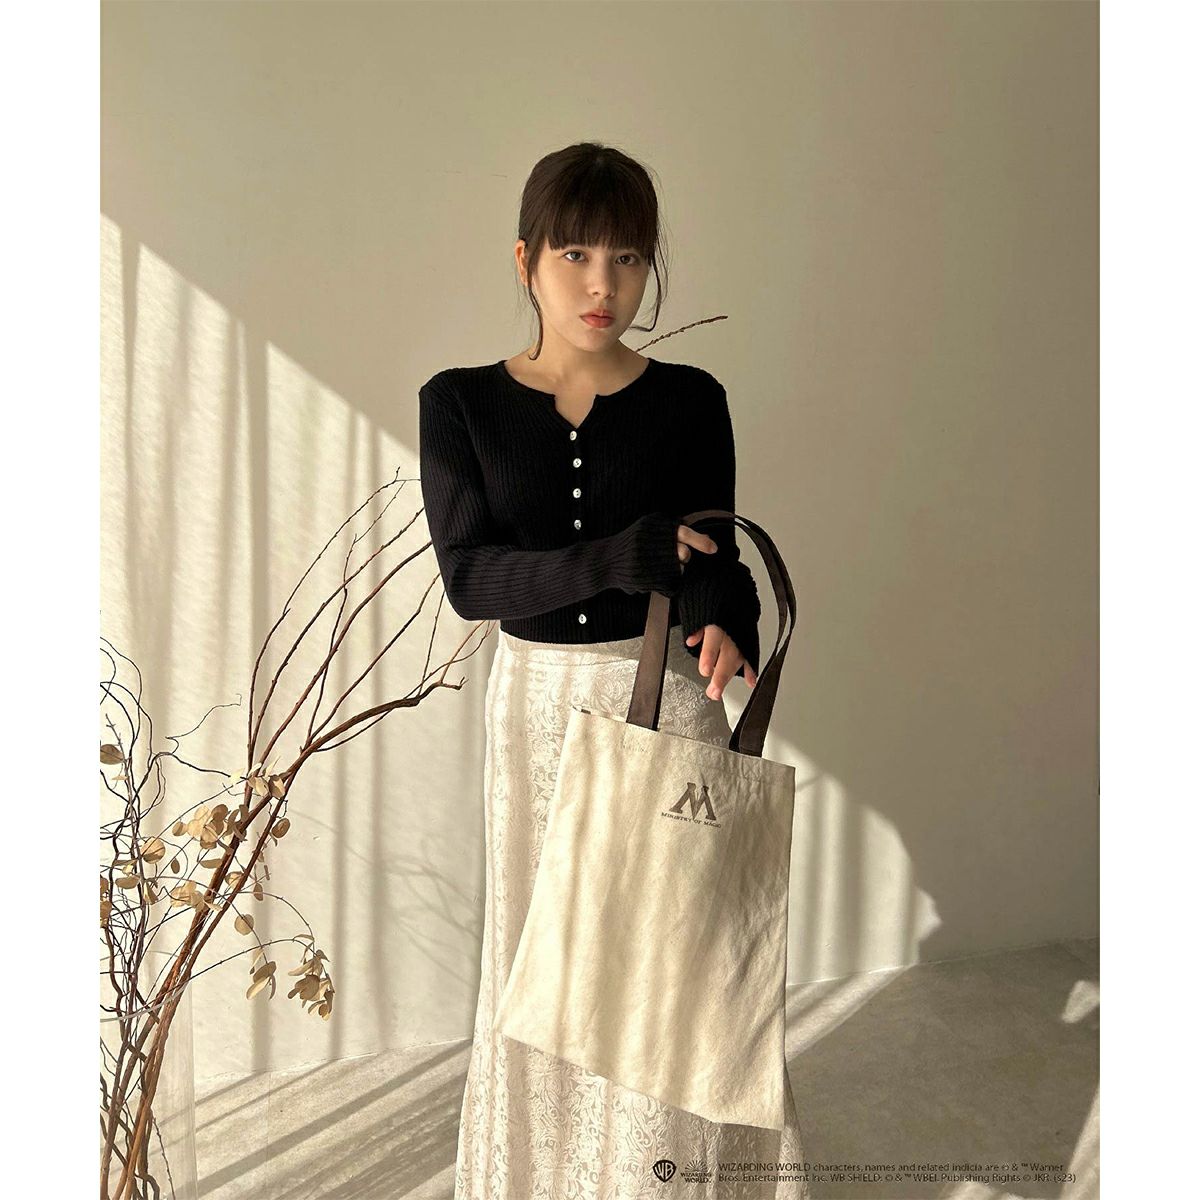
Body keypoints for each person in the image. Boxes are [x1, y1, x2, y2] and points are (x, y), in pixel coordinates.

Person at [419, 142, 810, 1199]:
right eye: (577, 255)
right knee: (550, 959)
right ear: (526, 260)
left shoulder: (691, 398)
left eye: (629, 259)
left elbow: (714, 561)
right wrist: (619, 557)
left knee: (672, 960)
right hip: (540, 713)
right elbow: (472, 580)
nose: (604, 285)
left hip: (670, 700)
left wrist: (725, 621)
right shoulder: (460, 404)